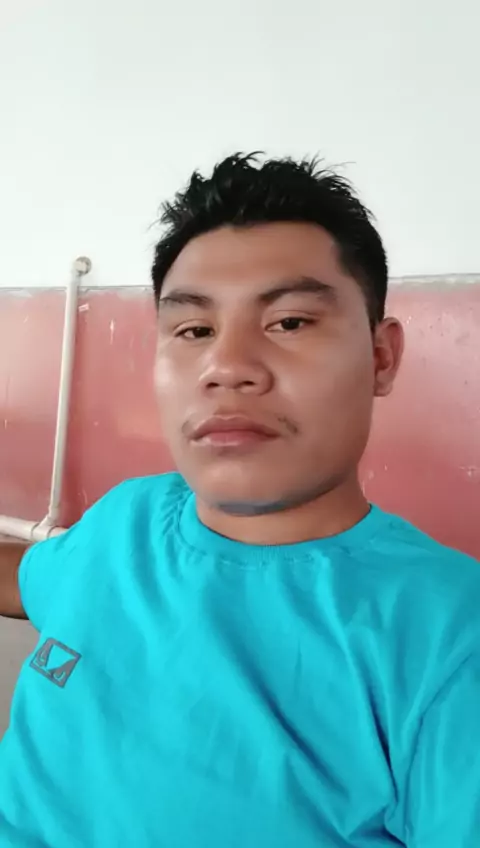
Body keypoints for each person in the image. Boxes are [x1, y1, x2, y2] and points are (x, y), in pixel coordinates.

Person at [0, 154, 479, 847]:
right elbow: (29, 580)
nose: (226, 367)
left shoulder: (449, 640)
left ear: (382, 357)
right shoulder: (127, 519)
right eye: (194, 330)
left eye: (289, 322)